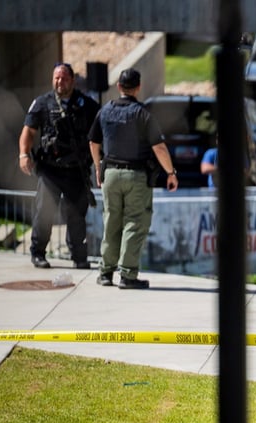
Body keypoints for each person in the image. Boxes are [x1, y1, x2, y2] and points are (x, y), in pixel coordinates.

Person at [88, 68, 179, 290]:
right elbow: (158, 147)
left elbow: (93, 142)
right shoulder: (143, 114)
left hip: (110, 174)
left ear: (118, 86)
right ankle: (128, 275)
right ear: (138, 87)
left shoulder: (105, 111)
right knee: (134, 223)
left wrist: (99, 169)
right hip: (136, 176)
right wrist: (171, 173)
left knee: (111, 222)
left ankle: (106, 273)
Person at [18, 62, 100, 269]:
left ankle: (79, 257)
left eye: (64, 78)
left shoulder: (87, 104)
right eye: (56, 77)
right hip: (50, 171)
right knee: (44, 212)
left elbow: (99, 134)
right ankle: (38, 253)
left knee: (76, 216)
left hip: (76, 171)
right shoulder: (42, 103)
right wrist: (23, 154)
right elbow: (28, 131)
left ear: (72, 80)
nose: (59, 81)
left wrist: (100, 163)